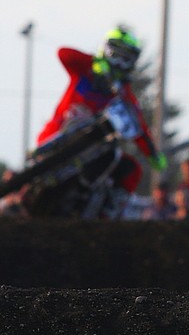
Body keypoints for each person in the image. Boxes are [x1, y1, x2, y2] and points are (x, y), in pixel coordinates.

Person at [37, 26, 162, 214]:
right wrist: (93, 62)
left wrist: (152, 154)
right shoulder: (83, 71)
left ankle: (104, 211)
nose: (119, 63)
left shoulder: (122, 93)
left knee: (130, 168)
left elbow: (137, 126)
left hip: (91, 146)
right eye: (117, 55)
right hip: (58, 133)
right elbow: (63, 53)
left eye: (126, 59)